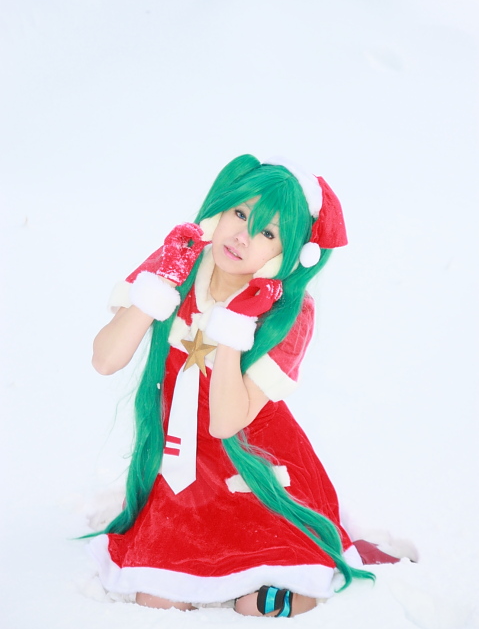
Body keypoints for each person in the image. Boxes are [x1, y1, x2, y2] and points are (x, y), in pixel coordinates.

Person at [87, 154, 379, 618]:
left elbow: (225, 422)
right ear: (217, 212)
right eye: (240, 213)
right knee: (158, 597)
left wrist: (234, 331)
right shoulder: (181, 261)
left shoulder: (289, 313)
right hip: (181, 466)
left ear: (290, 253)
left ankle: (286, 584)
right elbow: (105, 359)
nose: (243, 236)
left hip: (255, 465)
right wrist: (160, 284)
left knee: (253, 603)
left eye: (268, 233)